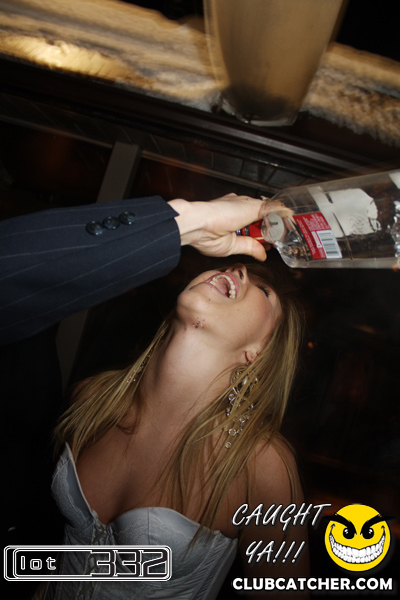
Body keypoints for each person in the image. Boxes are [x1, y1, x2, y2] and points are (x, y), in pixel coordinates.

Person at [45, 258, 307, 599]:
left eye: (263, 290)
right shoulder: (91, 399)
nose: (237, 271)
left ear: (258, 350)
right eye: (230, 267)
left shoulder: (260, 465)